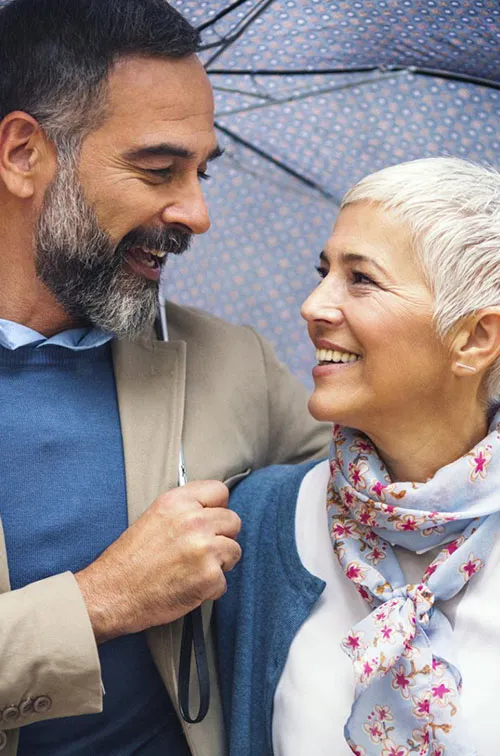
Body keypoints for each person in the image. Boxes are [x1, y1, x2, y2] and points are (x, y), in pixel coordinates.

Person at [0, 1, 330, 754]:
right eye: (158, 170)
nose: (197, 212)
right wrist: (98, 603)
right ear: (23, 153)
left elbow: (394, 488)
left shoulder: (233, 360)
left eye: (201, 171)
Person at [217, 157, 500, 756]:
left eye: (361, 279)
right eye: (323, 272)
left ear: (475, 339)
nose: (314, 306)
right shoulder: (262, 522)